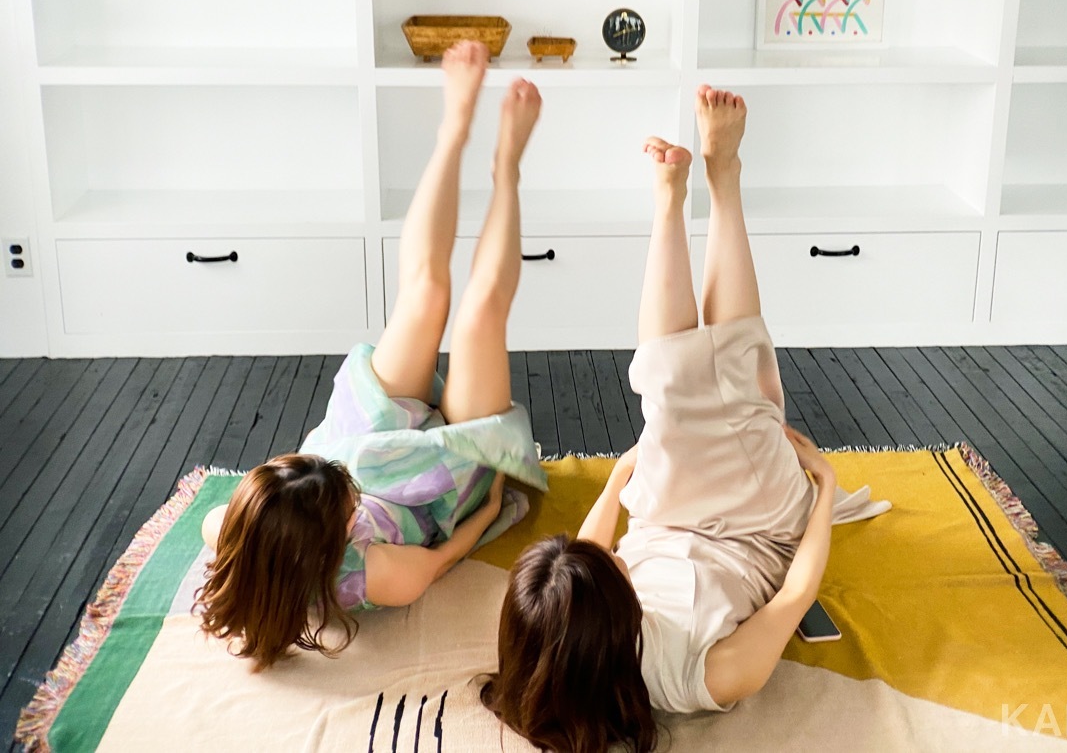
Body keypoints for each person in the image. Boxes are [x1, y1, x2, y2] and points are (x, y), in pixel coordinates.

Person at [481, 86, 889, 752]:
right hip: (757, 529)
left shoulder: (557, 628)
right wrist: (822, 485)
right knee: (740, 395)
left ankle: (668, 205)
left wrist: (619, 478)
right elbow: (795, 594)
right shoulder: (702, 677)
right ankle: (724, 178)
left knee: (667, 391)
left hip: (665, 514)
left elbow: (590, 552)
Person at [196, 41, 549, 671]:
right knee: (478, 312)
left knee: (425, 295)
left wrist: (333, 467)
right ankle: (507, 170)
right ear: (340, 537)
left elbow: (318, 477)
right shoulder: (379, 574)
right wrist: (491, 507)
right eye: (349, 500)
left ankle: (454, 130)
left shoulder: (229, 528)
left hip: (362, 436)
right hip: (431, 490)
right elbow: (447, 554)